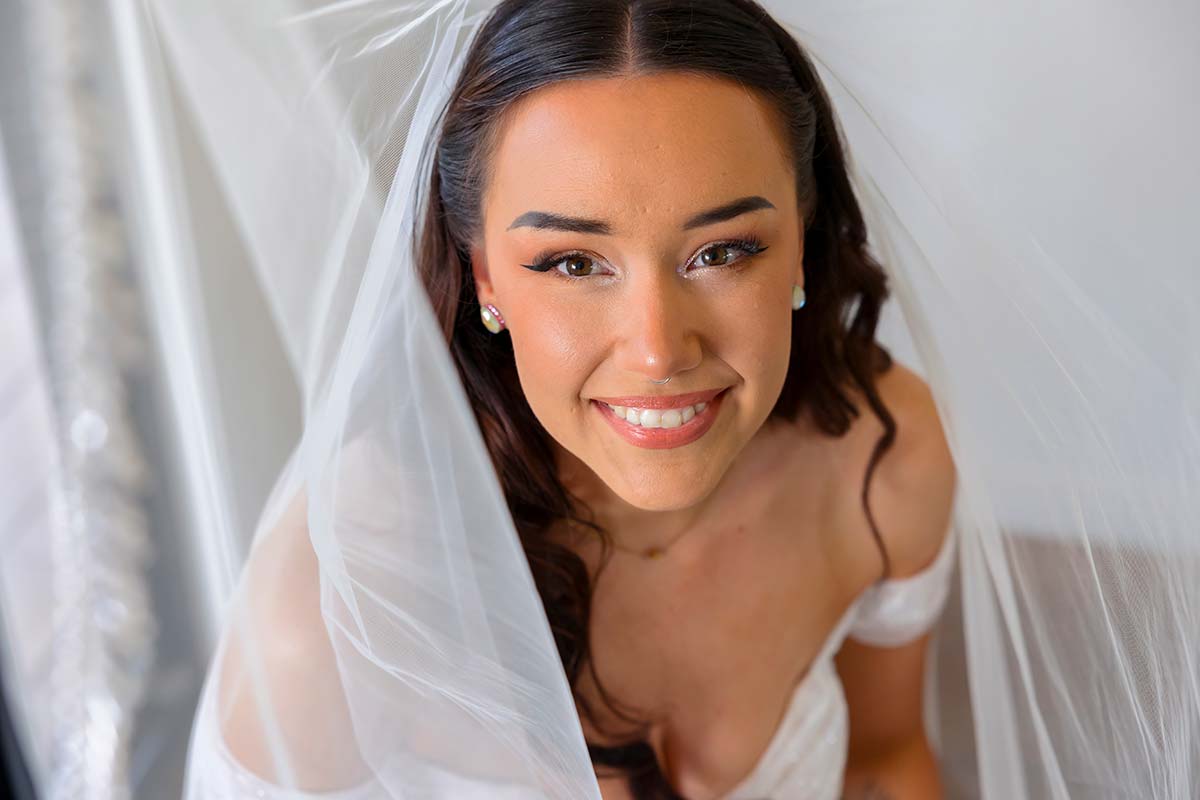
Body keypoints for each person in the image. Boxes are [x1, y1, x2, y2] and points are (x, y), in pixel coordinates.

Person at [191, 2, 956, 798]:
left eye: (722, 252)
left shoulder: (882, 458)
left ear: (800, 240)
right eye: (572, 264)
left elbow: (885, 761)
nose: (659, 351)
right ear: (485, 276)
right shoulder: (339, 615)